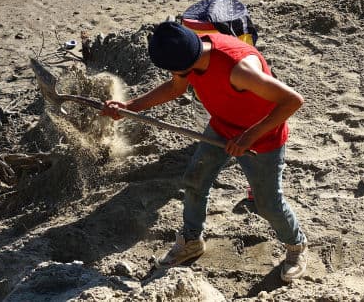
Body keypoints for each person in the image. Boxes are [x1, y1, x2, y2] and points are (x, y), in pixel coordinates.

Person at [101, 21, 308, 282]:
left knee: (268, 204)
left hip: (263, 137)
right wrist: (131, 106)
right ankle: (191, 240)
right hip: (222, 126)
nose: (174, 74)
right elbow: (176, 88)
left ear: (184, 62)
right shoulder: (191, 50)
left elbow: (293, 101)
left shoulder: (240, 69)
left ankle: (296, 246)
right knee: (195, 181)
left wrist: (249, 136)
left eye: (174, 70)